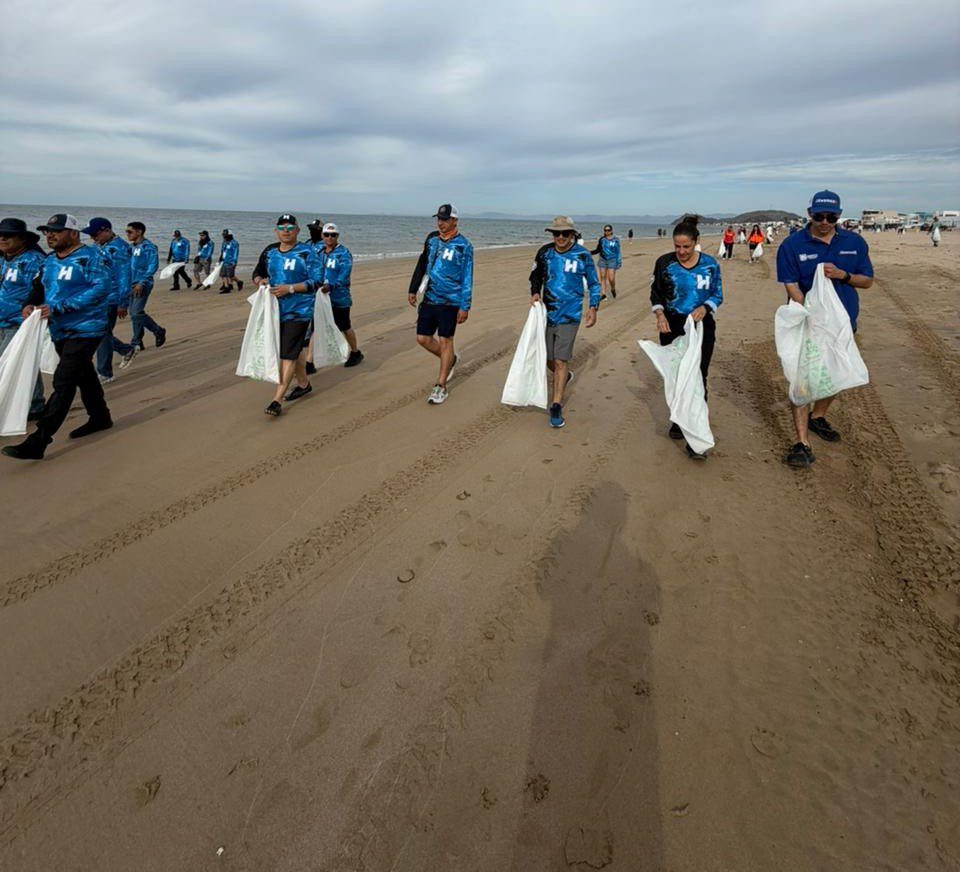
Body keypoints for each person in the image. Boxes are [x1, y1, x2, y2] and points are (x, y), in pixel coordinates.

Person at [776, 190, 874, 469]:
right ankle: (801, 443)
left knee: (835, 372)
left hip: (842, 325)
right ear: (809, 213)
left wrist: (843, 275)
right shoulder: (792, 245)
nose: (825, 222)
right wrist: (810, 311)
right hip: (807, 324)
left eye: (831, 216)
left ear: (839, 216)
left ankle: (818, 416)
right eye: (819, 216)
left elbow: (867, 281)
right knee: (801, 379)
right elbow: (791, 283)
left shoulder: (854, 242)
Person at [2, 214, 112, 461]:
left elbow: (101, 288)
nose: (49, 235)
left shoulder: (93, 257)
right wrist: (29, 304)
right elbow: (38, 288)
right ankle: (100, 417)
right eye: (47, 231)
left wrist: (62, 307)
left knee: (64, 381)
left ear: (73, 233)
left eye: (56, 231)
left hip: (87, 328)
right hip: (60, 329)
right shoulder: (49, 261)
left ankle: (39, 441)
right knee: (84, 376)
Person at [649, 215, 723, 459]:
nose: (681, 251)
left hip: (701, 327)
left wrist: (706, 307)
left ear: (696, 243)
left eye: (686, 247)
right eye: (677, 246)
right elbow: (656, 294)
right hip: (671, 325)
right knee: (677, 376)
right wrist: (660, 314)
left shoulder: (710, 265)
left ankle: (695, 434)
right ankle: (679, 420)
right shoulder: (664, 264)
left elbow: (717, 294)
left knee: (698, 376)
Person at [529, 216, 600, 429]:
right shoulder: (545, 253)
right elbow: (535, 276)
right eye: (556, 233)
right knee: (547, 358)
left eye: (565, 234)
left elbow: (595, 284)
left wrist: (593, 307)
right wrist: (534, 293)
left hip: (570, 315)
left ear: (573, 235)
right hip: (546, 314)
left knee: (560, 359)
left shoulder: (582, 255)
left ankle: (556, 405)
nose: (560, 237)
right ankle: (565, 375)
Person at [251, 214, 323, 417]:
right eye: (281, 227)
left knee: (287, 354)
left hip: (300, 310)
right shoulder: (270, 252)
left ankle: (277, 399)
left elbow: (317, 280)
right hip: (275, 311)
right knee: (292, 350)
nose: (286, 230)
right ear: (276, 231)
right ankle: (304, 383)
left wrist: (290, 289)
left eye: (290, 227)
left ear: (298, 230)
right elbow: (257, 273)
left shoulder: (307, 252)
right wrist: (260, 281)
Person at [407, 204, 473, 405]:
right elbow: (422, 263)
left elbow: (467, 277)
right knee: (423, 338)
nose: (441, 223)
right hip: (430, 297)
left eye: (445, 220)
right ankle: (450, 359)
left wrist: (465, 305)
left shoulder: (465, 246)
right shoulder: (432, 240)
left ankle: (440, 386)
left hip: (450, 301)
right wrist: (413, 288)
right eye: (439, 219)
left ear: (455, 221)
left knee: (446, 340)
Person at [0, 217, 47, 419]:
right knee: (24, 362)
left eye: (8, 236)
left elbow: (42, 289)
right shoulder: (3, 260)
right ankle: (36, 404)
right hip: (2, 320)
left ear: (22, 239)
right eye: (0, 235)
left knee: (7, 363)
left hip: (19, 322)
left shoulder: (34, 261)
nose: (3, 239)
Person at [82, 217, 135, 382]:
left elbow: (124, 277)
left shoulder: (120, 249)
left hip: (111, 297)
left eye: (95, 234)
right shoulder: (98, 246)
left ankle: (104, 372)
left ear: (106, 230)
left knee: (100, 333)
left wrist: (123, 302)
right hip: (95, 296)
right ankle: (125, 350)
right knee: (101, 333)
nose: (92, 238)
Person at [318, 223, 363, 367]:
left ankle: (355, 352)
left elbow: (344, 275)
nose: (329, 238)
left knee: (344, 326)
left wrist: (332, 286)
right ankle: (312, 360)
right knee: (317, 327)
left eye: (333, 235)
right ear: (322, 235)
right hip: (321, 297)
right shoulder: (318, 252)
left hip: (340, 297)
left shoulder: (344, 253)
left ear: (337, 236)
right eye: (326, 234)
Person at [122, 221, 165, 365]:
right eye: (127, 232)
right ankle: (137, 340)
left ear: (139, 232)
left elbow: (153, 265)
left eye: (130, 232)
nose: (127, 234)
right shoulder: (131, 247)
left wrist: (142, 282)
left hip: (142, 284)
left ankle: (158, 331)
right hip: (130, 284)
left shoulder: (149, 247)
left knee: (136, 312)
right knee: (134, 314)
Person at [591, 224, 622, 299]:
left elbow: (618, 251)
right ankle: (603, 294)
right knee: (603, 277)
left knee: (611, 278)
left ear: (611, 231)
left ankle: (613, 288)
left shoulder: (616, 240)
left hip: (612, 260)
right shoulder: (602, 239)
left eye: (608, 230)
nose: (607, 232)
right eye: (605, 230)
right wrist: (589, 253)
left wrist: (619, 261)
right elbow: (598, 250)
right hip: (602, 259)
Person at [218, 229, 242, 294]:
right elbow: (223, 250)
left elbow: (235, 253)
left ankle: (239, 282)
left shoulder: (234, 243)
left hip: (230, 261)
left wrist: (234, 261)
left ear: (229, 235)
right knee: (223, 275)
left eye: (225, 235)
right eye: (223, 235)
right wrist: (220, 258)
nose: (224, 236)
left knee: (230, 275)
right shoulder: (224, 242)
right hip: (224, 261)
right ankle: (226, 287)